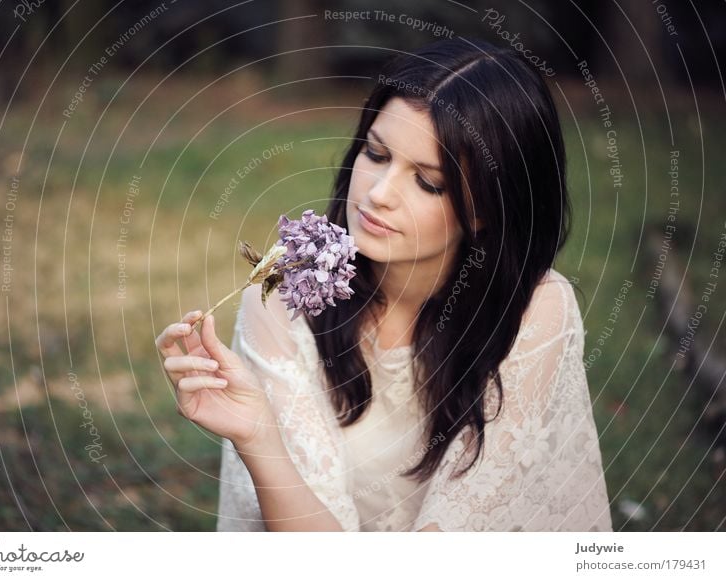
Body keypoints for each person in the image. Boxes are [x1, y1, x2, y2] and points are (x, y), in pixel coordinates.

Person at [156, 38, 612, 531]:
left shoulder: (534, 311)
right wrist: (258, 437)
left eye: (428, 182)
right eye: (376, 153)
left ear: (486, 211)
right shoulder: (283, 301)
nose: (377, 194)